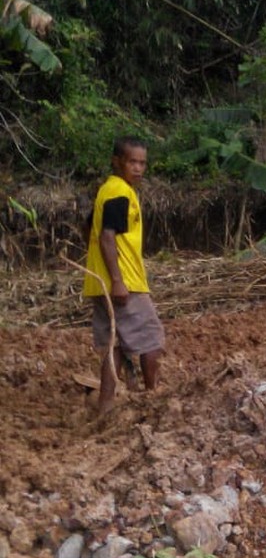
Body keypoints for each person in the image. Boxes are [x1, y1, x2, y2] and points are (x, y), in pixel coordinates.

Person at [84, 136, 165, 414]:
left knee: (114, 344)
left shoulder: (106, 190)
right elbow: (107, 237)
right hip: (123, 283)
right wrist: (118, 280)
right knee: (152, 338)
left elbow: (90, 229)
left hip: (100, 282)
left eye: (142, 163)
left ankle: (105, 405)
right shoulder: (119, 192)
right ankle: (153, 399)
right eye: (132, 162)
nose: (138, 168)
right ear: (116, 161)